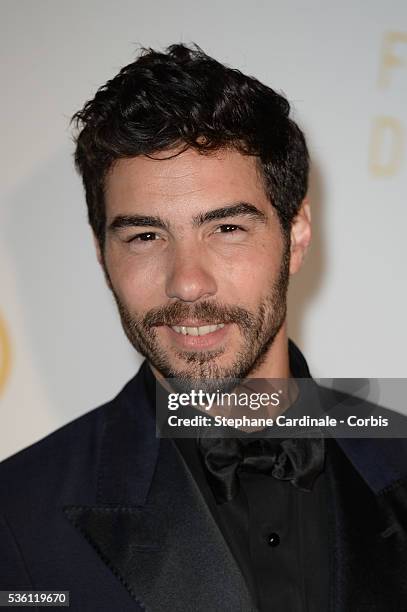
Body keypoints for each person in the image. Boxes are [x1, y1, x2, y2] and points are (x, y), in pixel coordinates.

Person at [1, 43, 407, 612]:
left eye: (227, 229)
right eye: (145, 236)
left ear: (296, 235)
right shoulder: (16, 517)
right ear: (101, 254)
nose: (188, 284)